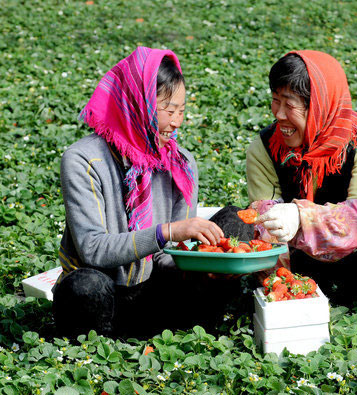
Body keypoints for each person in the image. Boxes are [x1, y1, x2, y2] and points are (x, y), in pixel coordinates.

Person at [53, 47, 228, 337]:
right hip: (101, 297)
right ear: (137, 104)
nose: (177, 122)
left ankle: (174, 332)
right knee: (85, 288)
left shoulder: (180, 163)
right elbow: (93, 249)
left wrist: (204, 263)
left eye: (182, 111)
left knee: (234, 222)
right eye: (169, 111)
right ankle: (102, 347)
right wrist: (167, 232)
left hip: (151, 296)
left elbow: (170, 256)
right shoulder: (82, 160)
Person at [246, 51, 357, 302]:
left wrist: (300, 216)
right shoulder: (264, 147)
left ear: (319, 105)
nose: (279, 114)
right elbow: (266, 228)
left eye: (290, 104)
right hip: (302, 256)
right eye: (275, 100)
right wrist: (284, 293)